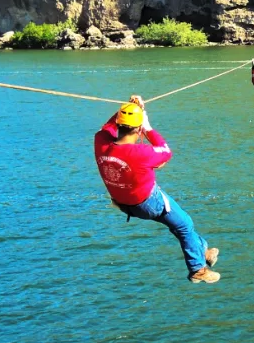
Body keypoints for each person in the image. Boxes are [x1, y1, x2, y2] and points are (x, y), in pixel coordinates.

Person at [94, 96, 220, 283]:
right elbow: (166, 151)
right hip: (149, 202)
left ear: (120, 124)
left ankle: (202, 250)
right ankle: (197, 269)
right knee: (185, 224)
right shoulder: (141, 153)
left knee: (177, 224)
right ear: (138, 129)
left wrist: (130, 108)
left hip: (125, 204)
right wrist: (148, 127)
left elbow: (107, 127)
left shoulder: (100, 142)